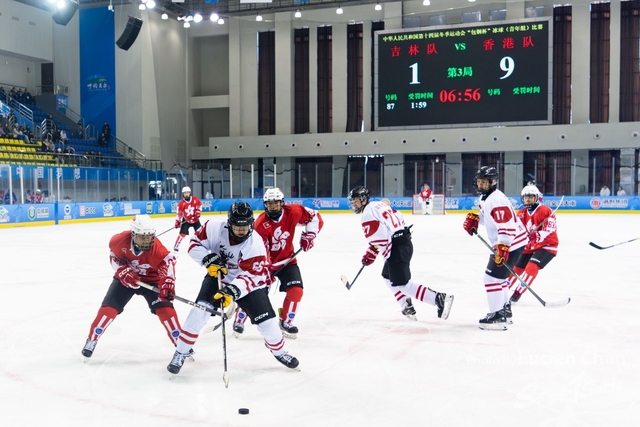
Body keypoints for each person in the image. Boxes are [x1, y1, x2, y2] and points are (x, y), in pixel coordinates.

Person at [166, 202, 300, 374]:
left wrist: (231, 291)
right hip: (218, 277)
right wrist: (207, 259)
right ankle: (181, 352)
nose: (241, 230)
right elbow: (194, 243)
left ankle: (280, 352)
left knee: (268, 322)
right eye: (237, 226)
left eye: (245, 226)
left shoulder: (255, 244)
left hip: (248, 284)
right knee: (198, 313)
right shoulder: (213, 228)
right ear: (229, 223)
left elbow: (252, 276)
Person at [81, 215, 182, 359]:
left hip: (152, 281)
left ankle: (182, 347)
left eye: (149, 236)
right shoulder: (119, 240)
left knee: (165, 310)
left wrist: (168, 282)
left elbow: (168, 264)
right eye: (143, 237)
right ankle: (92, 339)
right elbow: (114, 257)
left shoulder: (157, 249)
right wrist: (122, 270)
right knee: (108, 308)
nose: (147, 240)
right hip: (126, 279)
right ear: (133, 234)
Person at [348, 186, 454, 322]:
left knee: (404, 285)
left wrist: (372, 252)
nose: (353, 203)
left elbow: (380, 239)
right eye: (352, 201)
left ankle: (439, 298)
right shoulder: (379, 205)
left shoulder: (367, 215)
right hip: (404, 241)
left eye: (356, 200)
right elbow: (399, 216)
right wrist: (377, 247)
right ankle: (406, 306)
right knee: (387, 277)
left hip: (397, 247)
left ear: (363, 199)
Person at [232, 188, 324, 339]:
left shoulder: (293, 211)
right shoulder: (260, 224)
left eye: (275, 203)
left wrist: (309, 235)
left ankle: (286, 321)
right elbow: (259, 251)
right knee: (254, 293)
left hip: (288, 260)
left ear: (282, 203)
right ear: (265, 205)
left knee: (296, 291)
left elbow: (314, 216)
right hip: (265, 265)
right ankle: (239, 319)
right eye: (269, 204)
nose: (272, 206)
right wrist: (265, 271)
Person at [462, 166, 527, 330]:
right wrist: (477, 219)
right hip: (512, 243)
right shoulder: (486, 198)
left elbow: (506, 224)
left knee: (491, 279)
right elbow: (491, 219)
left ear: (493, 182)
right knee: (500, 279)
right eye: (479, 181)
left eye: (484, 182)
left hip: (510, 243)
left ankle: (498, 316)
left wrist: (503, 246)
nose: (481, 185)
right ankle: (505, 311)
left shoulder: (495, 199)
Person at [509, 184, 559, 303]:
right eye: (525, 197)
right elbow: (516, 230)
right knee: (516, 268)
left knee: (532, 266)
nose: (528, 199)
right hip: (529, 246)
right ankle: (504, 288)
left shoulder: (545, 211)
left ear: (536, 198)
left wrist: (536, 235)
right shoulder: (521, 213)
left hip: (547, 246)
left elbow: (550, 230)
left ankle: (518, 292)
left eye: (530, 197)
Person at [172, 186, 202, 253]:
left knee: (200, 233)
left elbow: (199, 206)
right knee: (182, 233)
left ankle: (203, 244)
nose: (186, 194)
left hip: (195, 220)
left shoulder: (195, 199)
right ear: (183, 194)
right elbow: (179, 213)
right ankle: (176, 246)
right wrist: (177, 221)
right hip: (186, 220)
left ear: (190, 193)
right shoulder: (181, 203)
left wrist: (197, 213)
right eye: (185, 193)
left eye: (187, 192)